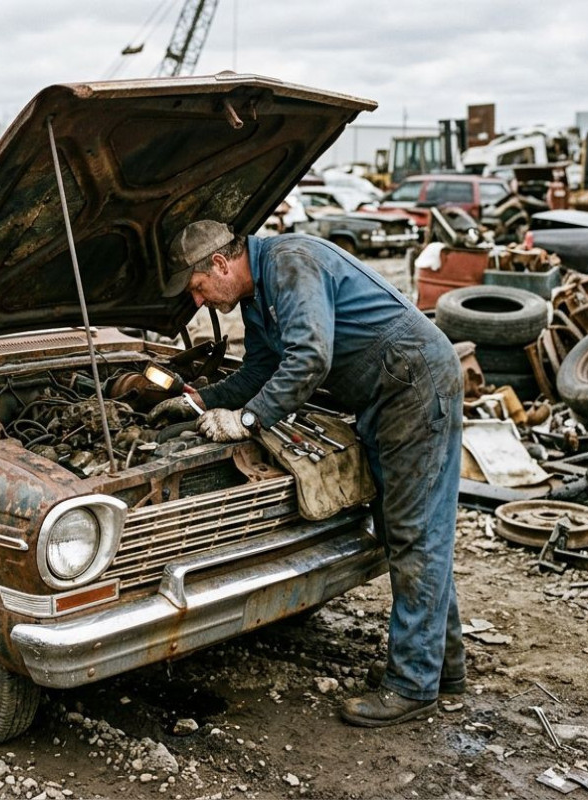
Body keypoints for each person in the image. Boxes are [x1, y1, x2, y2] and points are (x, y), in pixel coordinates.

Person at [149, 220, 466, 727]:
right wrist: (198, 403)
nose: (200, 299)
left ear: (219, 263)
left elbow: (310, 358)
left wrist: (247, 421)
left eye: (198, 287)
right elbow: (259, 371)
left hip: (413, 386)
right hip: (385, 394)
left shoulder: (290, 262)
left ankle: (412, 686)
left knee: (414, 533)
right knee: (404, 528)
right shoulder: (254, 297)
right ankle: (441, 668)